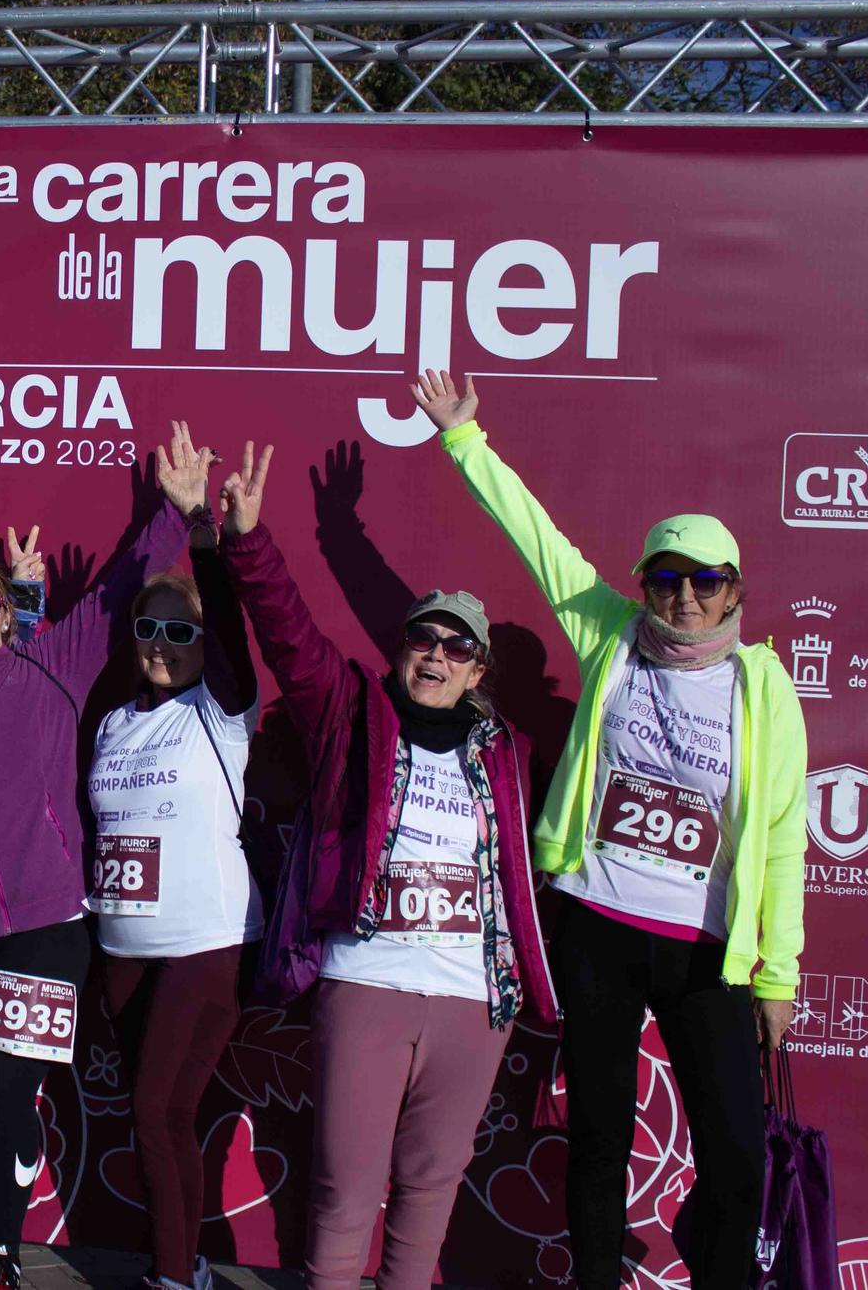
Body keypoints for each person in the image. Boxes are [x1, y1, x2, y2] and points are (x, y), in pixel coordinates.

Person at [412, 370, 807, 1290]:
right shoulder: (611, 633)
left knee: (736, 1156)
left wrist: (777, 971)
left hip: (708, 949)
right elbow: (537, 541)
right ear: (644, 584)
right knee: (597, 1133)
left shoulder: (763, 687)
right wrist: (465, 441)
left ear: (733, 589)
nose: (682, 597)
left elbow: (784, 836)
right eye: (664, 578)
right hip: (598, 924)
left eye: (703, 582)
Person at [218, 441, 558, 1290]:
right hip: (366, 982)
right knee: (343, 1189)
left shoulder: (511, 752)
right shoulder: (352, 713)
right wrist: (248, 540)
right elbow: (289, 637)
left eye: (456, 645)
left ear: (478, 668)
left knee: (431, 1188)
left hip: (475, 1000)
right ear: (403, 648)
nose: (435, 655)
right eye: (423, 638)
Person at [0, 424, 205, 1290]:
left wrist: (171, 516)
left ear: (10, 615)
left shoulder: (54, 666)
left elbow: (112, 595)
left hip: (42, 919)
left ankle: (0, 1252)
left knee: (0, 1086)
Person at [87, 510, 261, 1290]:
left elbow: (228, 631)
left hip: (203, 941)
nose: (162, 643)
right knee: (164, 1117)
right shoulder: (113, 724)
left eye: (179, 632)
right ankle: (185, 1266)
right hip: (123, 946)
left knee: (155, 1111)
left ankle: (169, 1278)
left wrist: (205, 547)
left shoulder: (220, 712)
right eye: (148, 628)